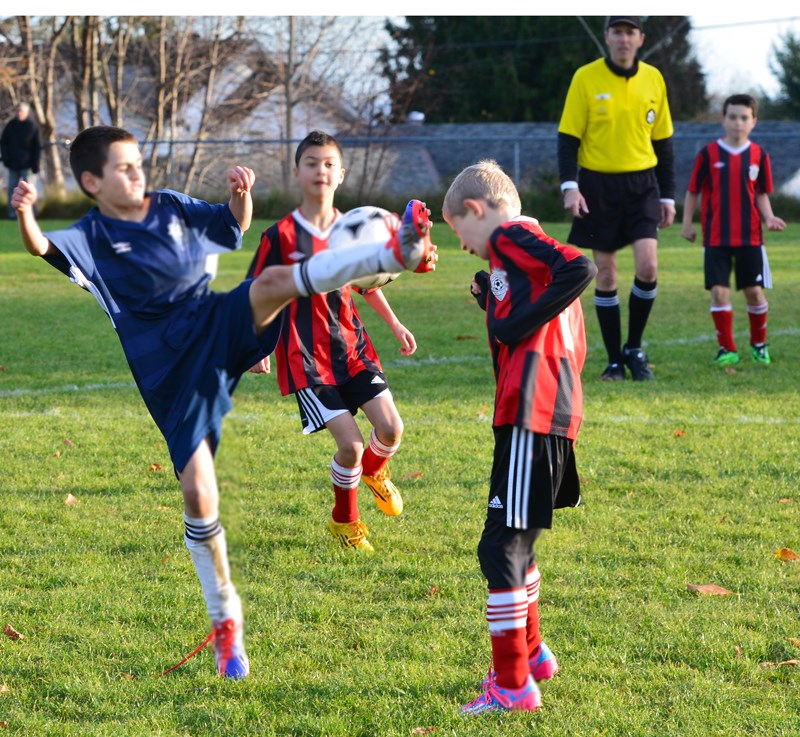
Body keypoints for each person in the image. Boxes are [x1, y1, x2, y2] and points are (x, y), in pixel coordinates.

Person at [11, 125, 434, 680]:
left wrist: (240, 195)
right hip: (170, 374)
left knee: (272, 286)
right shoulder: (88, 239)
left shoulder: (167, 205)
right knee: (197, 490)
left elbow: (232, 225)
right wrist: (25, 215)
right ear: (91, 181)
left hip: (216, 324)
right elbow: (41, 246)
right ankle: (226, 623)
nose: (136, 174)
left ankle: (384, 252)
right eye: (122, 168)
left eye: (138, 163)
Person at [442, 160, 596, 715]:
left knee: (499, 548)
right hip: (547, 413)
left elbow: (578, 269)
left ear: (478, 213)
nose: (461, 247)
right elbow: (546, 317)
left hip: (532, 411)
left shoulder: (511, 237)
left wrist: (514, 321)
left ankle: (510, 686)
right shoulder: (518, 252)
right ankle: (533, 657)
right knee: (518, 544)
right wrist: (497, 305)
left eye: (459, 232)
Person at [246, 130, 436, 552]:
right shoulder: (278, 237)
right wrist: (258, 346)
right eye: (312, 163)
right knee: (349, 446)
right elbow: (255, 291)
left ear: (341, 173)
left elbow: (367, 282)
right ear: (297, 172)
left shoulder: (354, 227)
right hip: (304, 359)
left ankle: (376, 471)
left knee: (391, 427)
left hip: (351, 347)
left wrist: (395, 323)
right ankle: (345, 521)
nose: (321, 170)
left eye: (329, 163)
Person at [557, 16, 675, 381]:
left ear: (640, 38)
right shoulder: (585, 77)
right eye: (617, 32)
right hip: (597, 186)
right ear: (608, 37)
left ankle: (633, 348)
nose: (623, 39)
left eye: (630, 32)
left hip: (643, 186)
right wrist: (569, 186)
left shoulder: (654, 78)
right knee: (605, 273)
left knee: (648, 266)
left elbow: (664, 142)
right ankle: (613, 361)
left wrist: (668, 196)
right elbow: (568, 137)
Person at [680, 93, 785, 366]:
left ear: (753, 122)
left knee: (754, 292)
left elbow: (761, 193)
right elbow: (693, 191)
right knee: (719, 291)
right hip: (715, 237)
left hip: (750, 236)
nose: (738, 122)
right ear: (723, 120)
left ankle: (759, 345)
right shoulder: (708, 154)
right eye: (732, 117)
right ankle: (727, 349)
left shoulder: (759, 155)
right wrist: (688, 223)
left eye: (744, 117)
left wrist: (770, 218)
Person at [1, 102, 41, 219]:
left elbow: (37, 147)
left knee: (29, 190)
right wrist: (6, 159)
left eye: (21, 111)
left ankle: (32, 213)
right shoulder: (11, 126)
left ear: (27, 112)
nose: (19, 113)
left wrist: (35, 164)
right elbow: (4, 143)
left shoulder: (32, 126)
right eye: (17, 111)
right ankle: (12, 214)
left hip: (27, 165)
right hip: (13, 165)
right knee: (12, 190)